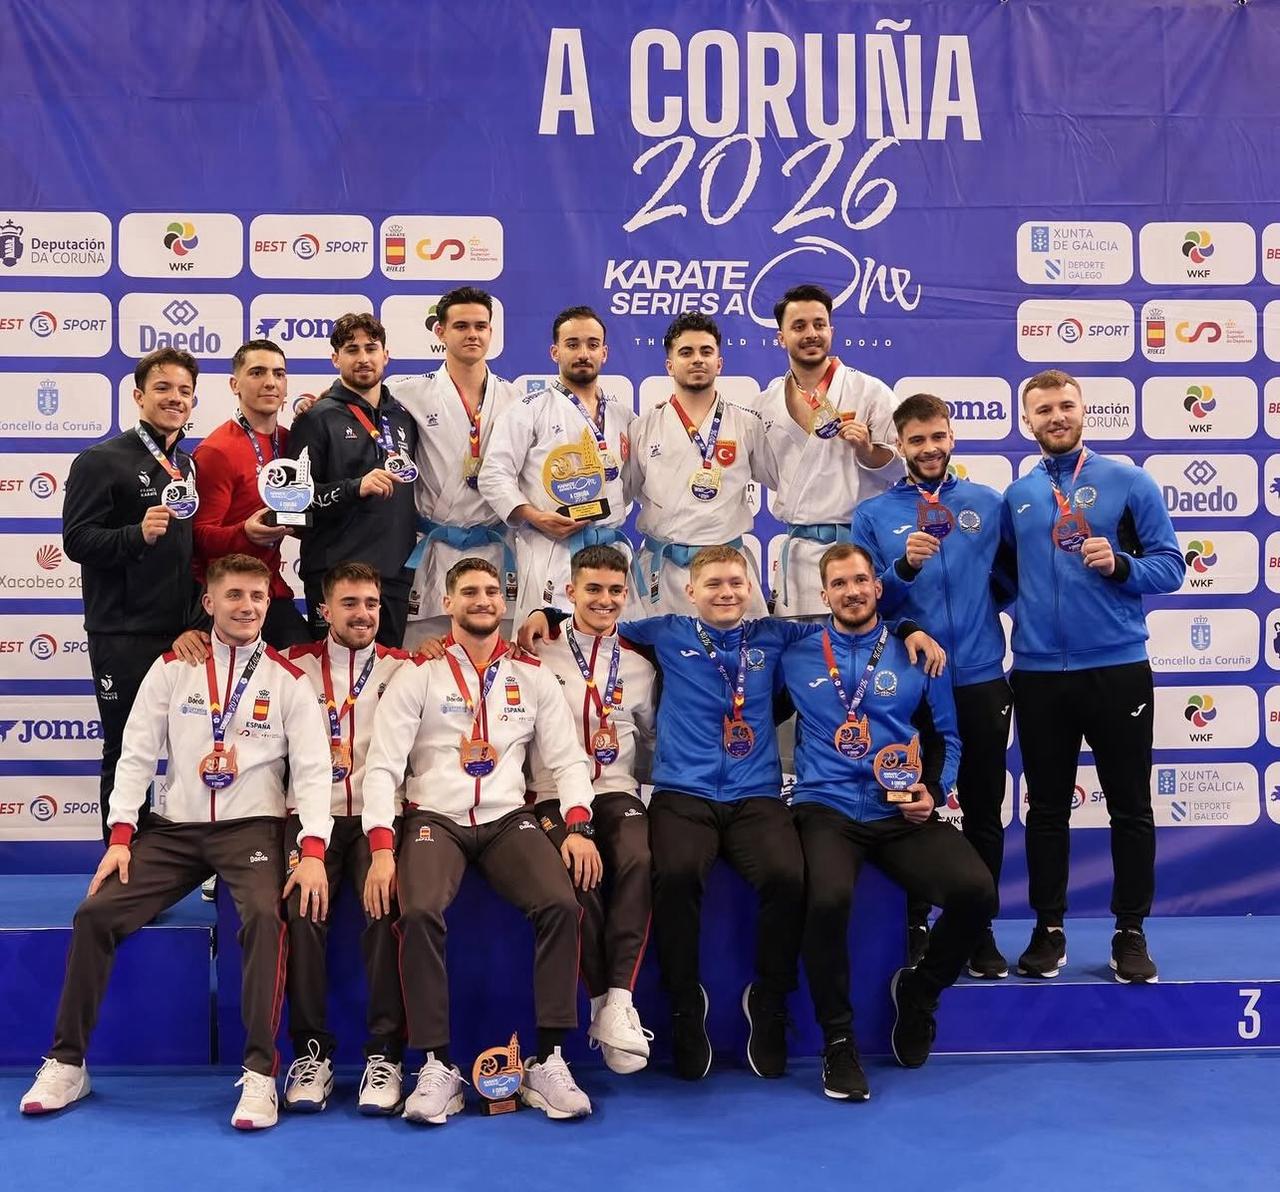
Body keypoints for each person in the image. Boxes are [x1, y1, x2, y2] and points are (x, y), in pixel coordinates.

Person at [520, 545, 943, 1082]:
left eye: (736, 584)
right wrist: (547, 614)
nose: (726, 593)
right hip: (684, 793)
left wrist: (906, 627)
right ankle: (684, 1006)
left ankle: (769, 1000)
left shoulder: (776, 635)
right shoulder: (665, 632)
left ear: (751, 589)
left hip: (755, 795)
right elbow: (594, 619)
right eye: (714, 584)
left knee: (787, 877)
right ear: (690, 592)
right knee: (674, 875)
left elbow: (851, 624)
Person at [19, 555, 333, 1129]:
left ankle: (260, 1073)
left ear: (269, 603)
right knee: (95, 915)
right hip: (175, 830)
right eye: (234, 595)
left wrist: (312, 850)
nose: (247, 606)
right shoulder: (171, 668)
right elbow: (135, 754)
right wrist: (121, 836)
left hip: (252, 829)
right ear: (209, 602)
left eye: (257, 596)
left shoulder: (289, 680)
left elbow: (313, 773)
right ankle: (68, 1062)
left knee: (265, 918)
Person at [361, 558, 600, 1123]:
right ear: (448, 602)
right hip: (435, 818)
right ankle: (436, 1066)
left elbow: (567, 760)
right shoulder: (418, 675)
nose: (483, 600)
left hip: (506, 819)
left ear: (504, 601)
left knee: (561, 904)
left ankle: (550, 1060)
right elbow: (383, 766)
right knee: (418, 911)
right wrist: (380, 848)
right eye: (469, 591)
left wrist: (578, 826)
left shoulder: (532, 676)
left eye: (492, 591)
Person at [780, 543, 994, 1100]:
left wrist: (934, 792)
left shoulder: (918, 653)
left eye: (860, 581)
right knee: (827, 900)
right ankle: (838, 1041)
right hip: (825, 808)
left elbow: (947, 736)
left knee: (977, 894)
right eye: (838, 584)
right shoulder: (796, 654)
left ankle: (920, 994)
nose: (851, 592)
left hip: (898, 808)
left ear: (878, 587)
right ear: (823, 594)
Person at [1003, 369, 1184, 983]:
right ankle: (1048, 928)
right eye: (1043, 409)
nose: (1055, 417)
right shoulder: (1018, 495)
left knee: (1130, 807)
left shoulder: (1129, 481)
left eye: (1065, 405)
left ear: (1083, 411)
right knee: (1046, 810)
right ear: (1027, 420)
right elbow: (1003, 579)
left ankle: (1130, 931)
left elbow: (1172, 567)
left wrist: (1121, 565)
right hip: (1037, 674)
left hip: (1116, 669)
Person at [851, 392, 1013, 978]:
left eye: (937, 437)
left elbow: (1011, 580)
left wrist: (979, 618)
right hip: (910, 684)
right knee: (908, 803)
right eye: (916, 440)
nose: (928, 448)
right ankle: (915, 922)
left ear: (951, 438)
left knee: (984, 809)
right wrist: (905, 569)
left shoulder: (987, 503)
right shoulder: (873, 514)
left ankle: (979, 928)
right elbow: (866, 601)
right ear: (899, 446)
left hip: (980, 676)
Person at [62, 346, 211, 842]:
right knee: (127, 752)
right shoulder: (100, 461)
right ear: (138, 395)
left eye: (184, 391)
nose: (175, 398)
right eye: (163, 388)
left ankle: (180, 862)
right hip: (122, 635)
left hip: (181, 636)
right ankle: (120, 860)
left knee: (196, 750)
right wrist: (135, 534)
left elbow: (190, 555)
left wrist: (195, 623)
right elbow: (77, 541)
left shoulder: (186, 465)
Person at [280, 563, 411, 1114]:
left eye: (372, 604)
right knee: (303, 912)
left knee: (384, 909)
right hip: (312, 816)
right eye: (350, 603)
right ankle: (312, 1053)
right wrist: (189, 639)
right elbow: (226, 659)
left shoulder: (408, 668)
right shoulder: (288, 666)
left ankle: (385, 1054)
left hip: (382, 816)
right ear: (324, 610)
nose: (363, 614)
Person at [527, 545, 657, 1073]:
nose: (605, 600)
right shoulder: (537, 653)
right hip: (553, 794)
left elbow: (650, 738)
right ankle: (604, 1003)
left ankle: (620, 1000)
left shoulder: (640, 665)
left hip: (617, 790)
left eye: (615, 590)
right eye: (593, 589)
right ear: (570, 592)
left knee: (638, 860)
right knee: (581, 876)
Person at [479, 305, 637, 625]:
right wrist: (534, 516)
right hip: (552, 549)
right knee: (547, 641)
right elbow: (494, 474)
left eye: (592, 345)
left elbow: (631, 481)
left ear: (604, 353)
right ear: (555, 352)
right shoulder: (528, 409)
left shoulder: (623, 416)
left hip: (610, 552)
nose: (583, 353)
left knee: (614, 643)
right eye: (572, 344)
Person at [390, 287, 521, 649]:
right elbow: (359, 403)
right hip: (434, 547)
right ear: (440, 332)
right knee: (425, 655)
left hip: (493, 546)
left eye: (481, 326)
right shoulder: (406, 393)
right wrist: (317, 401)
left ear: (491, 332)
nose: (472, 334)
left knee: (493, 656)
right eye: (461, 326)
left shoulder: (516, 400)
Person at [759, 284, 899, 618]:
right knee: (801, 647)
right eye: (799, 326)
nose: (811, 334)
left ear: (831, 331)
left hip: (857, 549)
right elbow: (762, 471)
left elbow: (904, 464)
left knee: (859, 643)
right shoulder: (765, 403)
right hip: (799, 556)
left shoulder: (869, 391)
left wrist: (868, 451)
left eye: (819, 324)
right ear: (781, 338)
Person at [626, 312, 776, 617]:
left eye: (706, 351)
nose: (697, 359)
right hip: (665, 572)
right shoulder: (643, 427)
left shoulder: (747, 424)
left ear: (719, 363)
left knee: (739, 648)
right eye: (686, 352)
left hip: (727, 572)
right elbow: (622, 493)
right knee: (656, 648)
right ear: (669, 365)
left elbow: (780, 480)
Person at [287, 312, 418, 647]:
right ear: (335, 358)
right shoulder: (316, 418)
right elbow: (295, 503)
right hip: (336, 576)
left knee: (388, 674)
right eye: (351, 350)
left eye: (371, 348)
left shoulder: (403, 417)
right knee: (330, 674)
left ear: (386, 355)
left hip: (393, 576)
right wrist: (354, 487)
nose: (363, 358)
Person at [193, 338, 310, 648]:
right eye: (257, 372)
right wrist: (245, 533)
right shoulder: (217, 450)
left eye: (279, 374)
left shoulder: (291, 443)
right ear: (235, 384)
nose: (270, 382)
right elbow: (199, 537)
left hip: (271, 591)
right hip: (224, 597)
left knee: (305, 665)